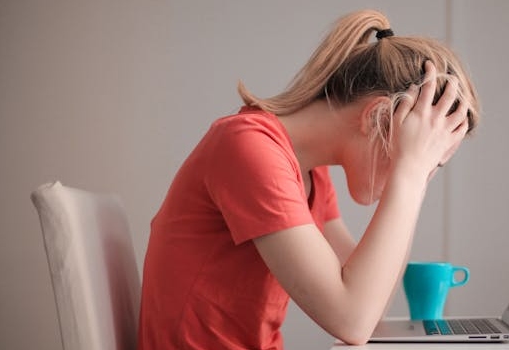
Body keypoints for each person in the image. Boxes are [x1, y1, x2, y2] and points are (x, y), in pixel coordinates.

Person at [138, 8, 480, 350]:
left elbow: (372, 305)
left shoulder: (310, 172)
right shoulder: (248, 147)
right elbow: (352, 320)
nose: (421, 167)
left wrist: (415, 178)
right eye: (420, 150)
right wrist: (411, 172)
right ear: (376, 117)